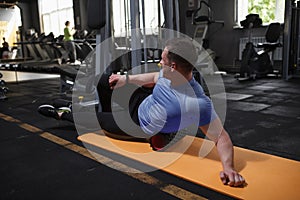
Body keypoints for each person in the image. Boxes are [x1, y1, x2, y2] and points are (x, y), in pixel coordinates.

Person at [38, 38, 245, 187]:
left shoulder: (197, 103)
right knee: (105, 79)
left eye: (162, 60)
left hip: (136, 124)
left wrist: (229, 168)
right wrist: (125, 80)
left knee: (90, 119)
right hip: (142, 100)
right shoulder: (171, 73)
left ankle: (63, 113)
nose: (159, 62)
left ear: (173, 66)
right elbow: (156, 77)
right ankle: (74, 103)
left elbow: (222, 138)